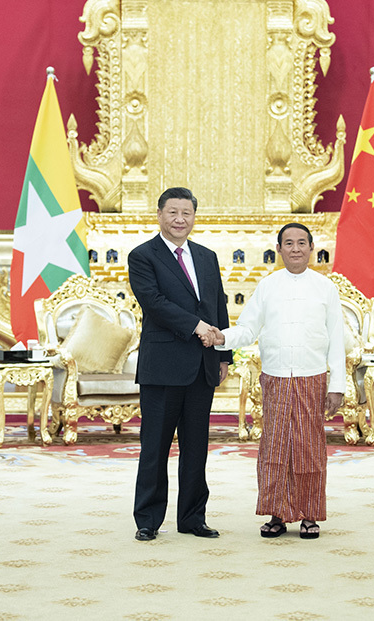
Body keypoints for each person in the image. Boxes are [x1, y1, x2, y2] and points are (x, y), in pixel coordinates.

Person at [209, 223, 344, 539]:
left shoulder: (326, 288)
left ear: (312, 248)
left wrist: (337, 385)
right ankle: (277, 514)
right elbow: (247, 329)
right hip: (276, 378)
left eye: (302, 243)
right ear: (279, 249)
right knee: (275, 447)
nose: (296, 249)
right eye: (289, 243)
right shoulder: (267, 286)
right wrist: (221, 338)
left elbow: (337, 338)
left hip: (312, 377)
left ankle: (309, 514)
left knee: (309, 447)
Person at [128, 187, 232, 541]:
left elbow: (217, 306)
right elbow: (154, 302)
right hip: (162, 366)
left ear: (193, 217)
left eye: (186, 213)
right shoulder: (143, 256)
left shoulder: (206, 256)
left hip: (202, 366)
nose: (179, 219)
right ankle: (148, 520)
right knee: (155, 447)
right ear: (159, 214)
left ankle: (192, 518)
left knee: (196, 447)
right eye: (172, 212)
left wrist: (224, 354)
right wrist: (196, 326)